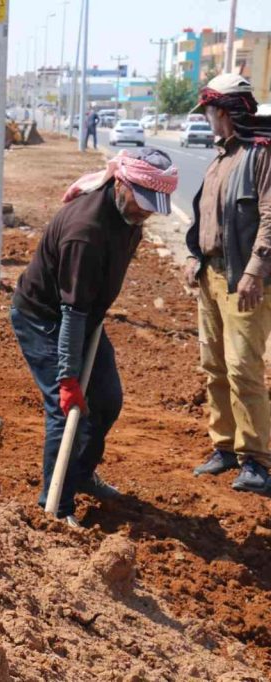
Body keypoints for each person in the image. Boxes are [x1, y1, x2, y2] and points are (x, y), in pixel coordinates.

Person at [10, 148, 178, 527]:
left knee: (108, 400)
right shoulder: (85, 232)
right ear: (121, 183)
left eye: (153, 205)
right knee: (66, 410)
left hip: (84, 316)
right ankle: (56, 507)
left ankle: (81, 474)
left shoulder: (128, 216)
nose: (145, 212)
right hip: (45, 318)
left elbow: (87, 303)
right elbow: (72, 312)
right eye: (141, 202)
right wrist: (68, 379)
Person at [184, 74, 271, 497]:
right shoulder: (219, 159)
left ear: (225, 112)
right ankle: (224, 448)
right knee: (214, 366)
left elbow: (270, 218)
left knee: (242, 369)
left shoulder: (259, 156)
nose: (207, 120)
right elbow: (204, 219)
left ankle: (256, 459)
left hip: (244, 281)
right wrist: (192, 256)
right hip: (210, 277)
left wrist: (256, 269)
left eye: (210, 112)